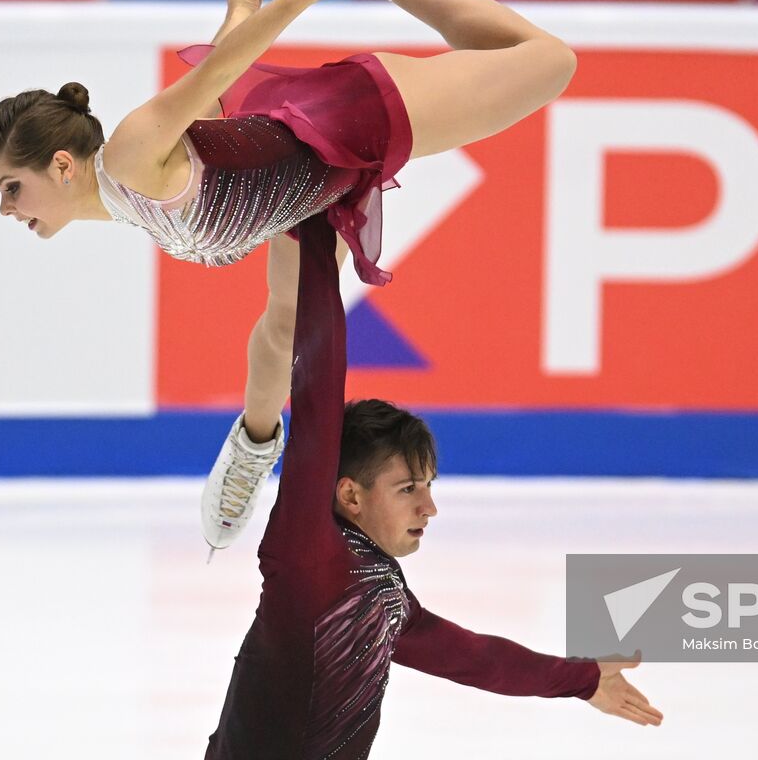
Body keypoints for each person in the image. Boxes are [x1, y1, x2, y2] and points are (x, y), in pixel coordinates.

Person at [0, 0, 578, 551]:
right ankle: (251, 447)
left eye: (12, 187)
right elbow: (211, 95)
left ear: (62, 165)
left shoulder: (126, 154)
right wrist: (240, 5)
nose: (7, 207)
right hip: (295, 182)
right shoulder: (131, 187)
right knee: (285, 322)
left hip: (349, 119)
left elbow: (218, 71)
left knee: (549, 62)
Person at [202, 210, 661, 758]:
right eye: (408, 489)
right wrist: (320, 232)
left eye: (428, 486)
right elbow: (319, 378)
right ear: (349, 494)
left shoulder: (385, 594)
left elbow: (472, 657)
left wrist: (581, 679)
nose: (430, 508)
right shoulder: (307, 552)